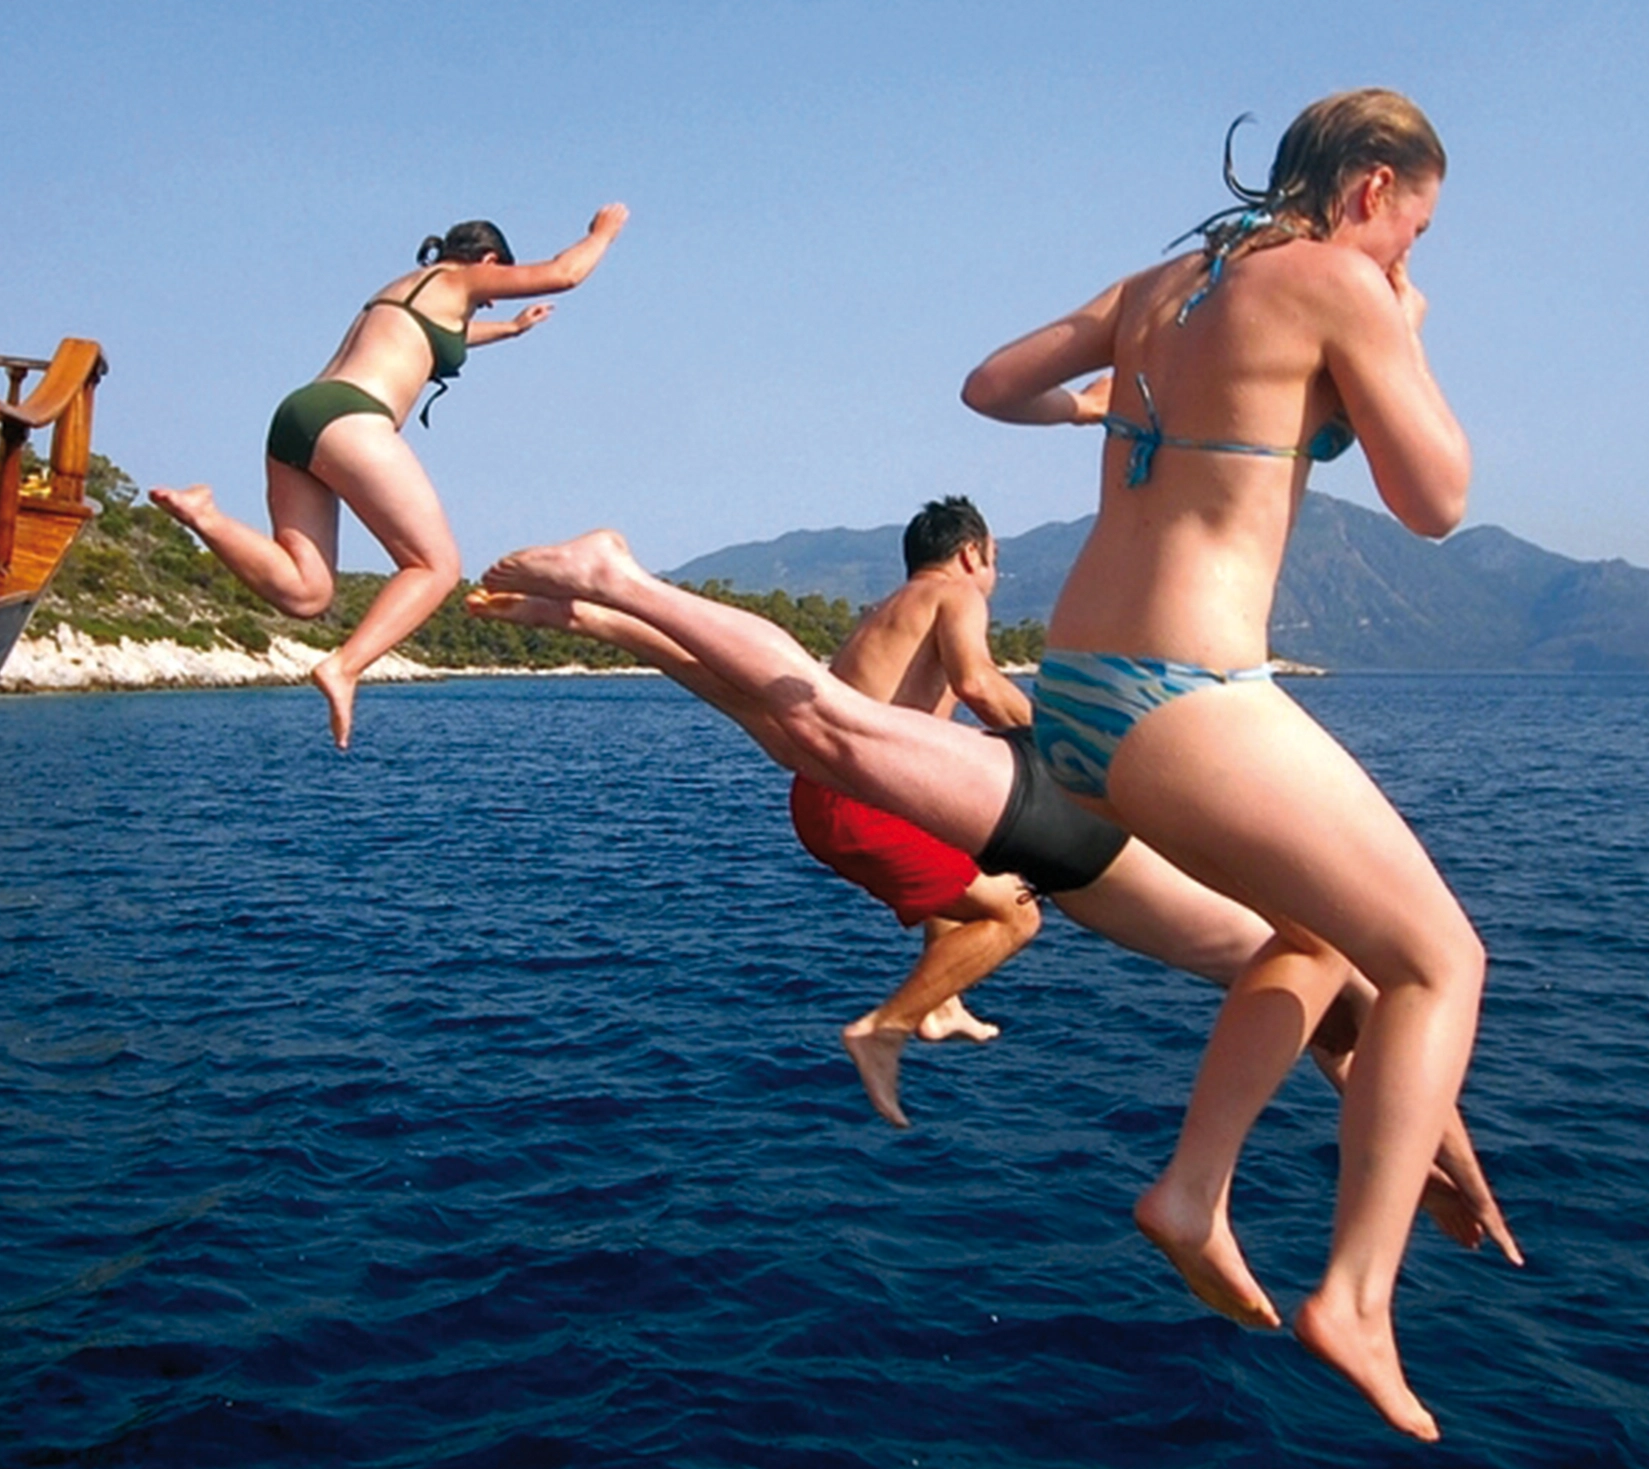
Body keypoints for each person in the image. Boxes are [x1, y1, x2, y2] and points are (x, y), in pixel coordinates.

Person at [470, 527, 1520, 1273]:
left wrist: (1434, 1165)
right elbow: (1390, 1038)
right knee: (825, 731)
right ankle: (619, 581)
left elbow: (1374, 1048)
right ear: (973, 552)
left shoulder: (1315, 958)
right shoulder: (1330, 960)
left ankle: (604, 605)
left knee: (808, 727)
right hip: (1075, 831)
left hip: (1076, 821)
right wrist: (1445, 1168)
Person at [956, 89, 1482, 1440]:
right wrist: (1403, 323)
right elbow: (1436, 500)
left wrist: (1104, 407)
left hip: (1074, 685)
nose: (1405, 253)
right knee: (1439, 963)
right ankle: (1354, 1296)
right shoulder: (1339, 283)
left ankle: (1192, 1191)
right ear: (1371, 188)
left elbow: (990, 386)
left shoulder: (1163, 283)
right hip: (1186, 691)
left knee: (1315, 939)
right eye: (1413, 227)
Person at [151, 206, 627, 747]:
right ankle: (345, 667)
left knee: (306, 594)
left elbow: (447, 334)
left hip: (298, 417)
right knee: (436, 567)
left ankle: (205, 516)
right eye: (490, 294)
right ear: (489, 261)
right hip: (353, 418)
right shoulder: (461, 278)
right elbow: (565, 273)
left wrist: (511, 331)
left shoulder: (402, 289)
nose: (489, 301)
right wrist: (603, 232)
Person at [771, 496, 1045, 1125]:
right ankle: (883, 1030)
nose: (993, 575)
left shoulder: (891, 609)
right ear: (971, 554)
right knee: (1016, 916)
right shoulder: (957, 595)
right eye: (994, 559)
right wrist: (1065, 746)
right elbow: (978, 683)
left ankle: (944, 1004)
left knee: (973, 843)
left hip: (834, 791)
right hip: (856, 800)